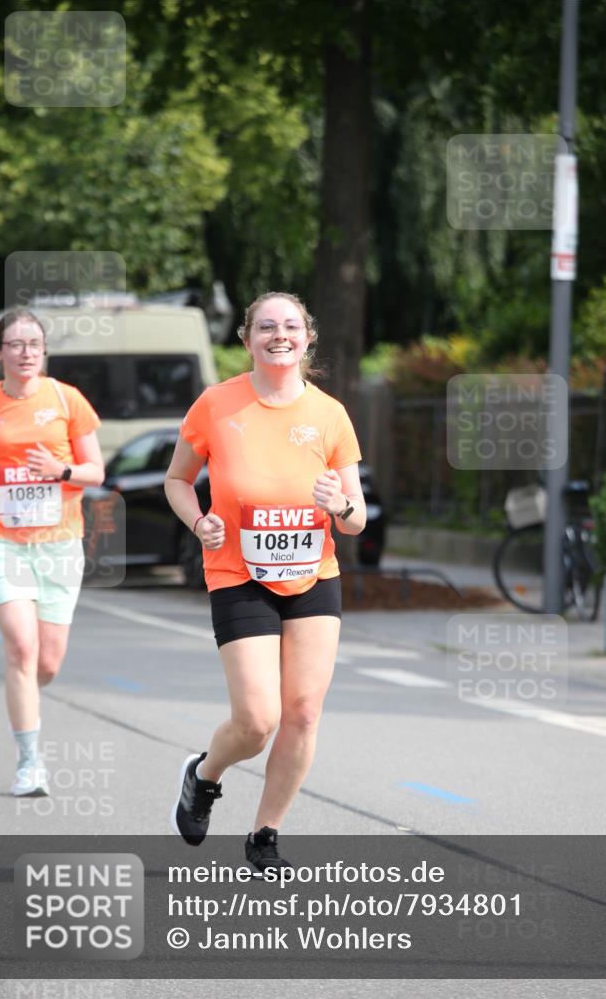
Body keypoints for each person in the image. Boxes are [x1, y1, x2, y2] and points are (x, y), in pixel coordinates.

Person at [165, 291, 366, 872]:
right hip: (237, 572)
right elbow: (178, 480)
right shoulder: (216, 404)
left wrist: (341, 506)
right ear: (248, 338)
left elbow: (356, 521)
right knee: (257, 721)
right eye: (267, 326)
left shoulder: (329, 414)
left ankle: (265, 834)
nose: (280, 335)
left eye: (292, 326)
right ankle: (203, 775)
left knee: (302, 712)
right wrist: (198, 519)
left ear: (308, 338)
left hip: (312, 575)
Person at [0, 309, 104, 796]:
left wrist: (61, 470)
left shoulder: (67, 400)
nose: (26, 352)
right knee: (22, 648)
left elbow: (96, 472)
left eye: (34, 344)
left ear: (43, 351)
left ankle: (24, 691)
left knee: (46, 662)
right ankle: (30, 762)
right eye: (16, 344)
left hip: (58, 544)